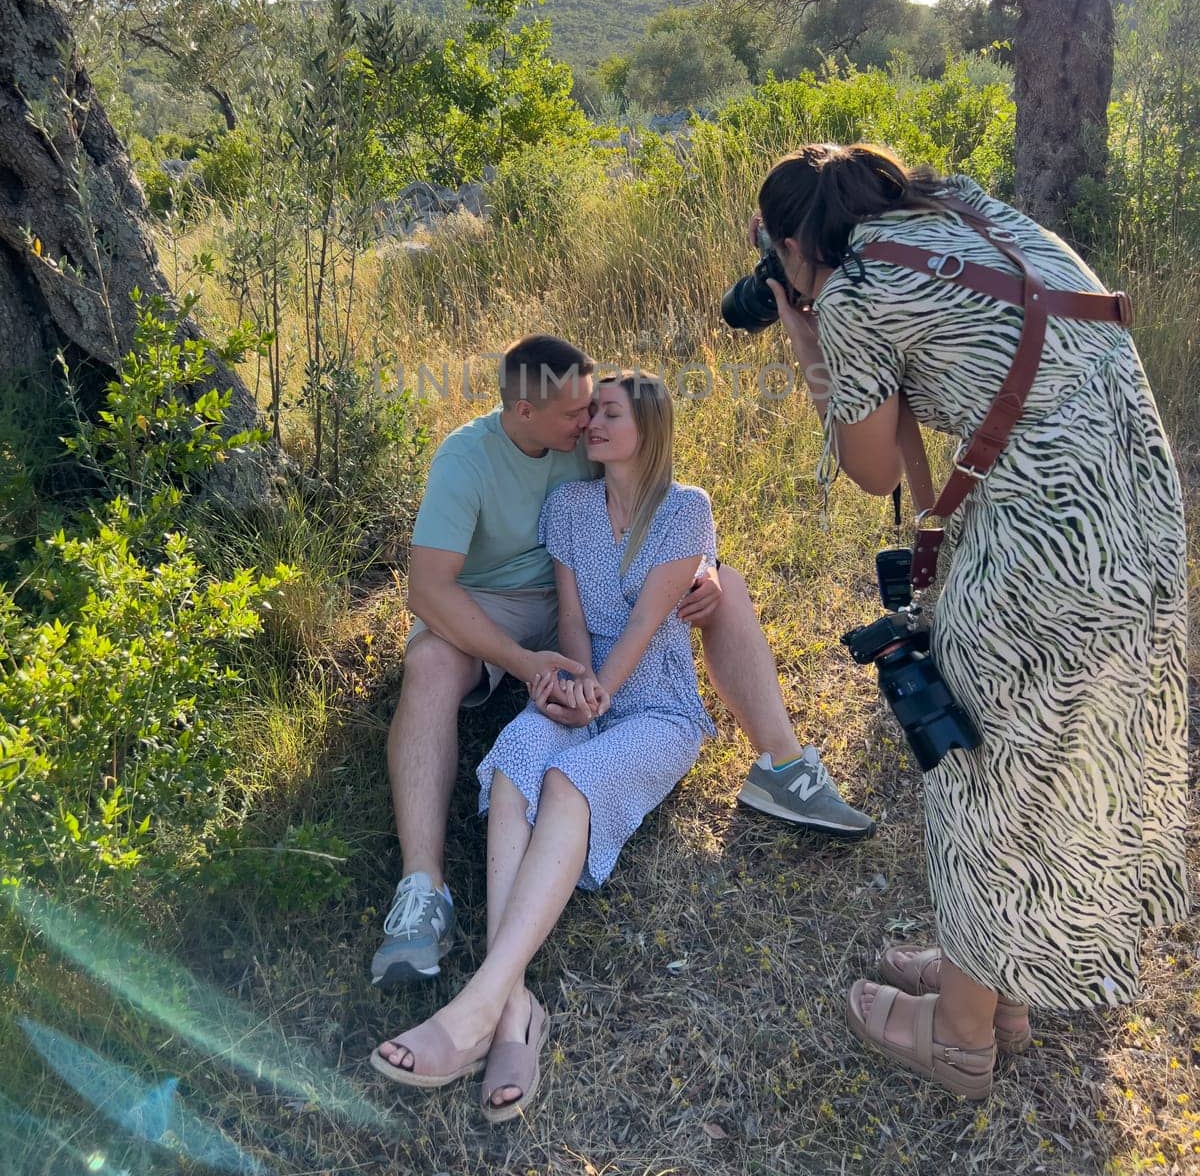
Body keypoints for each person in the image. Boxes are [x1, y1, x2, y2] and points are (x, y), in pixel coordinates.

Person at [752, 143, 1189, 1099]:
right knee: (1041, 769)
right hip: (1142, 531)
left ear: (793, 245)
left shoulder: (859, 289)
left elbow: (870, 469)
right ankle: (996, 982)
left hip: (1045, 548)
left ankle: (958, 1037)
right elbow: (939, 429)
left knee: (978, 779)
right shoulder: (986, 220)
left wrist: (809, 335)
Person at [372, 334, 874, 989]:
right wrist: (528, 665)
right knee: (433, 664)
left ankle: (782, 765)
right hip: (495, 606)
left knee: (731, 583)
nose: (586, 422)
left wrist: (706, 569)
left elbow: (663, 506)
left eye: (596, 409)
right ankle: (423, 889)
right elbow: (427, 590)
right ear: (527, 414)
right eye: (576, 413)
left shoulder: (588, 450)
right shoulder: (469, 460)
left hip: (586, 600)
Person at [371, 372, 721, 1120]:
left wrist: (599, 694)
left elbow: (644, 623)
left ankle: (476, 1013)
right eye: (590, 413)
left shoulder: (687, 511)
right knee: (516, 763)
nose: (592, 423)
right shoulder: (568, 506)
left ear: (649, 427)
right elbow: (569, 618)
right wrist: (570, 686)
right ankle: (514, 1010)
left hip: (654, 706)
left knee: (570, 782)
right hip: (581, 687)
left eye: (609, 414)